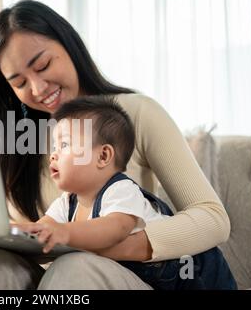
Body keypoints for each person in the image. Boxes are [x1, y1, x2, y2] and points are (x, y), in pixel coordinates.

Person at [0, 0, 232, 290]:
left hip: (121, 276)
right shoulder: (17, 140)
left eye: (43, 65)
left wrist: (112, 247)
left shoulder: (134, 113)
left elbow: (212, 218)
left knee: (76, 265)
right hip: (55, 281)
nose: (37, 89)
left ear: (69, 46)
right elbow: (34, 241)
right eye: (20, 83)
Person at [15, 95, 237, 290]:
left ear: (103, 156)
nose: (53, 155)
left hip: (198, 277)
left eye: (64, 145)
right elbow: (41, 230)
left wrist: (64, 233)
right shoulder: (67, 202)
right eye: (54, 147)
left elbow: (115, 230)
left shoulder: (120, 190)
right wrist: (14, 233)